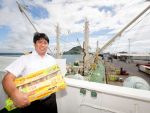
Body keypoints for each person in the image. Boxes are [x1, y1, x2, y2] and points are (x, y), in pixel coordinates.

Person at [2, 32, 58, 113]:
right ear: (34, 44)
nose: (43, 45)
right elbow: (7, 78)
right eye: (39, 42)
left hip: (51, 100)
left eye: (45, 42)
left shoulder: (52, 59)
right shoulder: (24, 58)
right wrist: (14, 94)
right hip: (31, 103)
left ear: (47, 45)